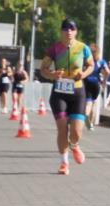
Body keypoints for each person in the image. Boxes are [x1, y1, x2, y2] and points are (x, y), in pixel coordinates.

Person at [40, 19, 95, 175]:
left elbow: (91, 65)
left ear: (76, 31)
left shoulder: (83, 48)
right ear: (61, 31)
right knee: (62, 127)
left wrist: (83, 74)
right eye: (65, 29)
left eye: (72, 29)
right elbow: (43, 69)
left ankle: (75, 145)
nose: (68, 32)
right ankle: (64, 162)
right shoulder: (54, 49)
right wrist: (52, 74)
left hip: (77, 92)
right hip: (59, 93)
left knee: (77, 131)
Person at [84, 43, 108, 130]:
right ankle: (90, 124)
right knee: (93, 103)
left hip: (86, 81)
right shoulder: (101, 61)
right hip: (96, 83)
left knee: (88, 102)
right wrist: (104, 81)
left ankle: (86, 115)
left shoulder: (86, 60)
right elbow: (108, 71)